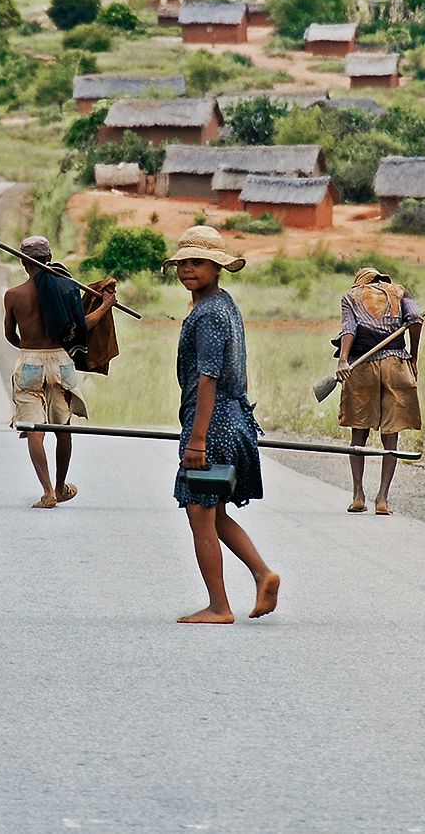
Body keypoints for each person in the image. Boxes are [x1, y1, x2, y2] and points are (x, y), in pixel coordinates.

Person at [166, 226, 280, 625]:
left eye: (197, 263)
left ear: (217, 268)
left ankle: (219, 606)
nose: (187, 269)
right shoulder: (220, 303)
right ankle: (263, 574)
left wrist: (197, 441)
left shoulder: (211, 313)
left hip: (212, 423)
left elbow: (208, 377)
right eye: (182, 262)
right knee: (212, 513)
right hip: (229, 417)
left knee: (199, 512)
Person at [3, 235, 114, 509]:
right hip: (61, 362)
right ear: (49, 258)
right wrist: (105, 306)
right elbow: (80, 326)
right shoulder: (65, 289)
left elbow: (9, 335)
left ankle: (48, 491)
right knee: (62, 429)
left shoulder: (14, 295)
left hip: (30, 360)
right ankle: (62, 486)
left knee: (34, 430)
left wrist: (27, 347)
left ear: (22, 261)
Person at [334, 267, 423, 516]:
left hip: (362, 366)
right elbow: (416, 320)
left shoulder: (351, 296)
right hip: (397, 363)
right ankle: (382, 498)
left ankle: (358, 495)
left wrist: (343, 360)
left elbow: (349, 329)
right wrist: (414, 357)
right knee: (391, 435)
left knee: (358, 432)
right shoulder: (400, 292)